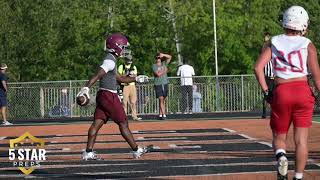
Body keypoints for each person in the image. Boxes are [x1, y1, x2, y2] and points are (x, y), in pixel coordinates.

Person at [254, 6, 320, 180]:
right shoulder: (308, 44)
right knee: (301, 140)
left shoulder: (274, 41)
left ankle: (281, 156)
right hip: (303, 90)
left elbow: (258, 68)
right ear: (303, 25)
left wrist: (267, 91)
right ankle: (298, 176)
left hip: (282, 91)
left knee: (279, 136)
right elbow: (317, 77)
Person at [78, 33, 149, 160]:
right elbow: (98, 74)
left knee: (96, 123)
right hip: (109, 95)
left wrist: (136, 78)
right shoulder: (109, 61)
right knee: (123, 123)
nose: (124, 50)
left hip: (103, 95)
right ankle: (136, 150)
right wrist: (86, 88)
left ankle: (88, 152)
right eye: (123, 47)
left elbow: (120, 78)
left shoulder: (111, 59)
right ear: (116, 46)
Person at [118, 56, 141, 121]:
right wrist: (126, 74)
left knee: (133, 102)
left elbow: (136, 76)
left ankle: (134, 116)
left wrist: (132, 75)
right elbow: (119, 77)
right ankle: (124, 117)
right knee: (124, 102)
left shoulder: (133, 67)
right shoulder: (121, 66)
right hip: (125, 85)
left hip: (132, 85)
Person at [152, 52, 172, 120]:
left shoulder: (164, 64)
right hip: (158, 84)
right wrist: (165, 71)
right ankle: (164, 114)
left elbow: (170, 57)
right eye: (157, 58)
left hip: (165, 83)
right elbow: (158, 74)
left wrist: (163, 55)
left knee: (163, 99)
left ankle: (160, 114)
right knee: (161, 99)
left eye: (159, 58)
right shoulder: (154, 66)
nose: (158, 59)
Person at [261, 32, 275, 119]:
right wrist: (265, 42)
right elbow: (263, 51)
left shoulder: (275, 54)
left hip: (275, 78)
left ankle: (274, 112)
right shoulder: (265, 54)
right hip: (267, 78)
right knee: (267, 95)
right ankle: (264, 113)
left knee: (275, 95)